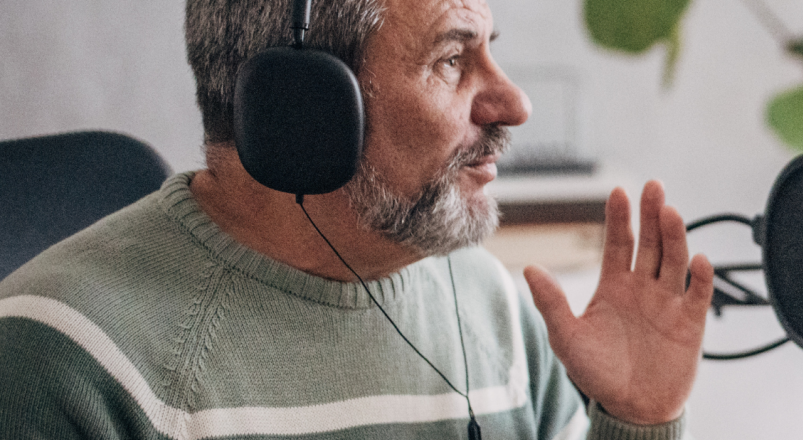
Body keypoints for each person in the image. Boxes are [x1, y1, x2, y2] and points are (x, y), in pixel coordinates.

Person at [0, 0, 714, 438]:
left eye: (490, 52)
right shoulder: (62, 364)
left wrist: (637, 421)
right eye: (452, 59)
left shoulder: (495, 307)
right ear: (303, 106)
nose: (514, 103)